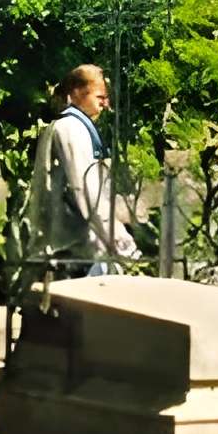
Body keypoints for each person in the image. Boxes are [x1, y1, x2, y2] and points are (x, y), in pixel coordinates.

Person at [27, 64, 134, 279]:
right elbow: (86, 191)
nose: (106, 103)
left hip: (74, 250)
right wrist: (123, 244)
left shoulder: (71, 127)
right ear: (75, 93)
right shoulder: (71, 129)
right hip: (70, 255)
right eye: (99, 96)